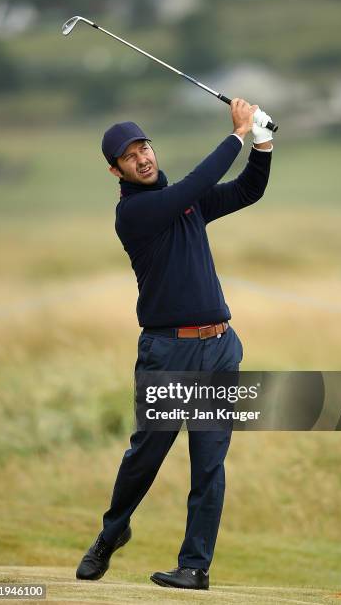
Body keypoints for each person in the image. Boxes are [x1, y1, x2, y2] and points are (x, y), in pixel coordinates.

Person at [76, 99, 273, 590]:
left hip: (219, 349)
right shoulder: (137, 213)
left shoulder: (186, 203)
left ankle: (194, 567)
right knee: (146, 456)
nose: (141, 157)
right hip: (169, 353)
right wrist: (238, 133)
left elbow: (249, 189)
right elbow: (193, 185)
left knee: (209, 463)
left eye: (144, 146)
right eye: (129, 155)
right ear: (115, 170)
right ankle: (111, 533)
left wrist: (264, 143)